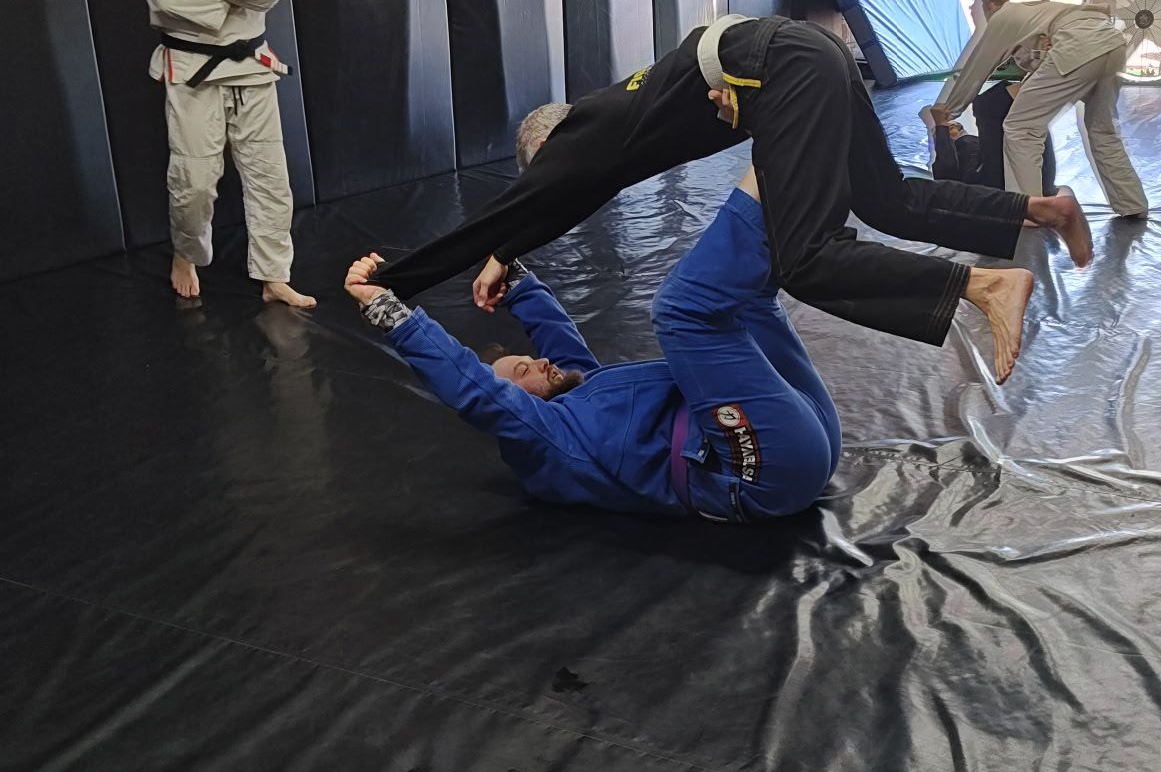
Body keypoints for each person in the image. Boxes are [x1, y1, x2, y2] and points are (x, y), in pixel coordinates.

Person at [377, 15, 1092, 385]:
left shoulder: (581, 136)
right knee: (886, 200)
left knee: (804, 256)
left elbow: (533, 200)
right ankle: (1039, 210)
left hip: (786, 67)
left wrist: (393, 283)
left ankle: (983, 283)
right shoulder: (627, 113)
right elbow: (556, 204)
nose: (562, 180)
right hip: (806, 55)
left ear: (551, 148)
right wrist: (509, 252)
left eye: (551, 168)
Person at [346, 168, 920, 522]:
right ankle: (777, 162)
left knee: (747, 301)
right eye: (522, 372)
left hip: (809, 433)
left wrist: (504, 265)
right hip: (759, 472)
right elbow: (476, 390)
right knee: (682, 311)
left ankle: (802, 180)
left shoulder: (578, 389)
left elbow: (556, 338)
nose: (537, 362)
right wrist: (388, 310)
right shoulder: (551, 441)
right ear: (519, 407)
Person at [131, 0, 313, 308]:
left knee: (271, 177)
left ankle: (274, 275)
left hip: (253, 66)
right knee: (193, 181)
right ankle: (186, 254)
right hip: (194, 70)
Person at [928, 0, 1148, 219]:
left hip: (1079, 48)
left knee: (1019, 128)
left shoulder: (1004, 16)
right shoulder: (1036, 16)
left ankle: (1030, 210)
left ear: (992, 6)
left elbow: (978, 66)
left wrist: (950, 108)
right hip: (1113, 43)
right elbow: (1041, 65)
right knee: (1103, 131)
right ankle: (1132, 204)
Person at [923, 0, 1057, 197]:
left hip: (999, 173)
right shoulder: (964, 145)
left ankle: (1037, 81)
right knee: (991, 104)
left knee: (995, 104)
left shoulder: (970, 141)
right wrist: (940, 128)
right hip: (991, 180)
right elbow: (945, 173)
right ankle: (1039, 79)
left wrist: (942, 128)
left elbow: (982, 63)